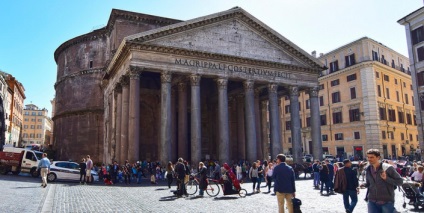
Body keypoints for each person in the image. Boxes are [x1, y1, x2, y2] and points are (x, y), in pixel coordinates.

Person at [360, 149, 403, 213]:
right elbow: (368, 183)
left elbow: (400, 182)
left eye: (372, 157)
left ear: (378, 157)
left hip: (386, 201)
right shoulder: (368, 169)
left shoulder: (388, 168)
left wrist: (386, 178)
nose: (369, 159)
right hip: (372, 201)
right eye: (368, 157)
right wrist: (364, 185)